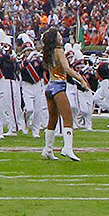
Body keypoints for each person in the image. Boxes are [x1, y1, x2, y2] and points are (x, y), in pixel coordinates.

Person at [39, 28, 84, 161]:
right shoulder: (59, 51)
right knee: (68, 118)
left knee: (53, 119)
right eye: (59, 36)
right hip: (59, 86)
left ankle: (48, 149)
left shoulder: (47, 53)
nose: (61, 38)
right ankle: (68, 148)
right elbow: (66, 68)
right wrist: (81, 80)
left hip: (49, 87)